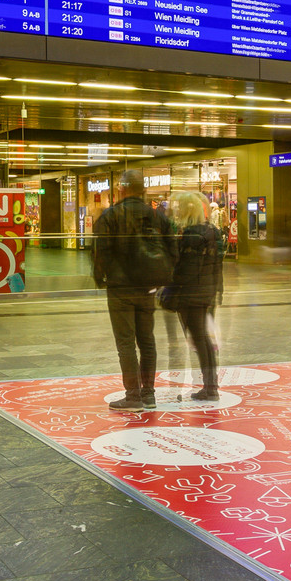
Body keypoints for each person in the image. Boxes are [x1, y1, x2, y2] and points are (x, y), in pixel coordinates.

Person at [91, 169, 173, 411]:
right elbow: (172, 247)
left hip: (120, 288)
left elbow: (100, 251)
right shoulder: (157, 216)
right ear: (143, 190)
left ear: (121, 189)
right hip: (147, 287)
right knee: (147, 340)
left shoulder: (111, 216)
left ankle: (133, 396)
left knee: (126, 342)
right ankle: (148, 394)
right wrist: (162, 276)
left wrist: (101, 277)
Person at [164, 191, 223, 401]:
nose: (176, 211)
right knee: (203, 340)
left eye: (179, 207)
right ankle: (210, 385)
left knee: (200, 340)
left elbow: (186, 271)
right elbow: (217, 266)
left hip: (190, 294)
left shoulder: (191, 235)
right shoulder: (211, 231)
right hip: (206, 291)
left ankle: (210, 388)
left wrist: (169, 281)